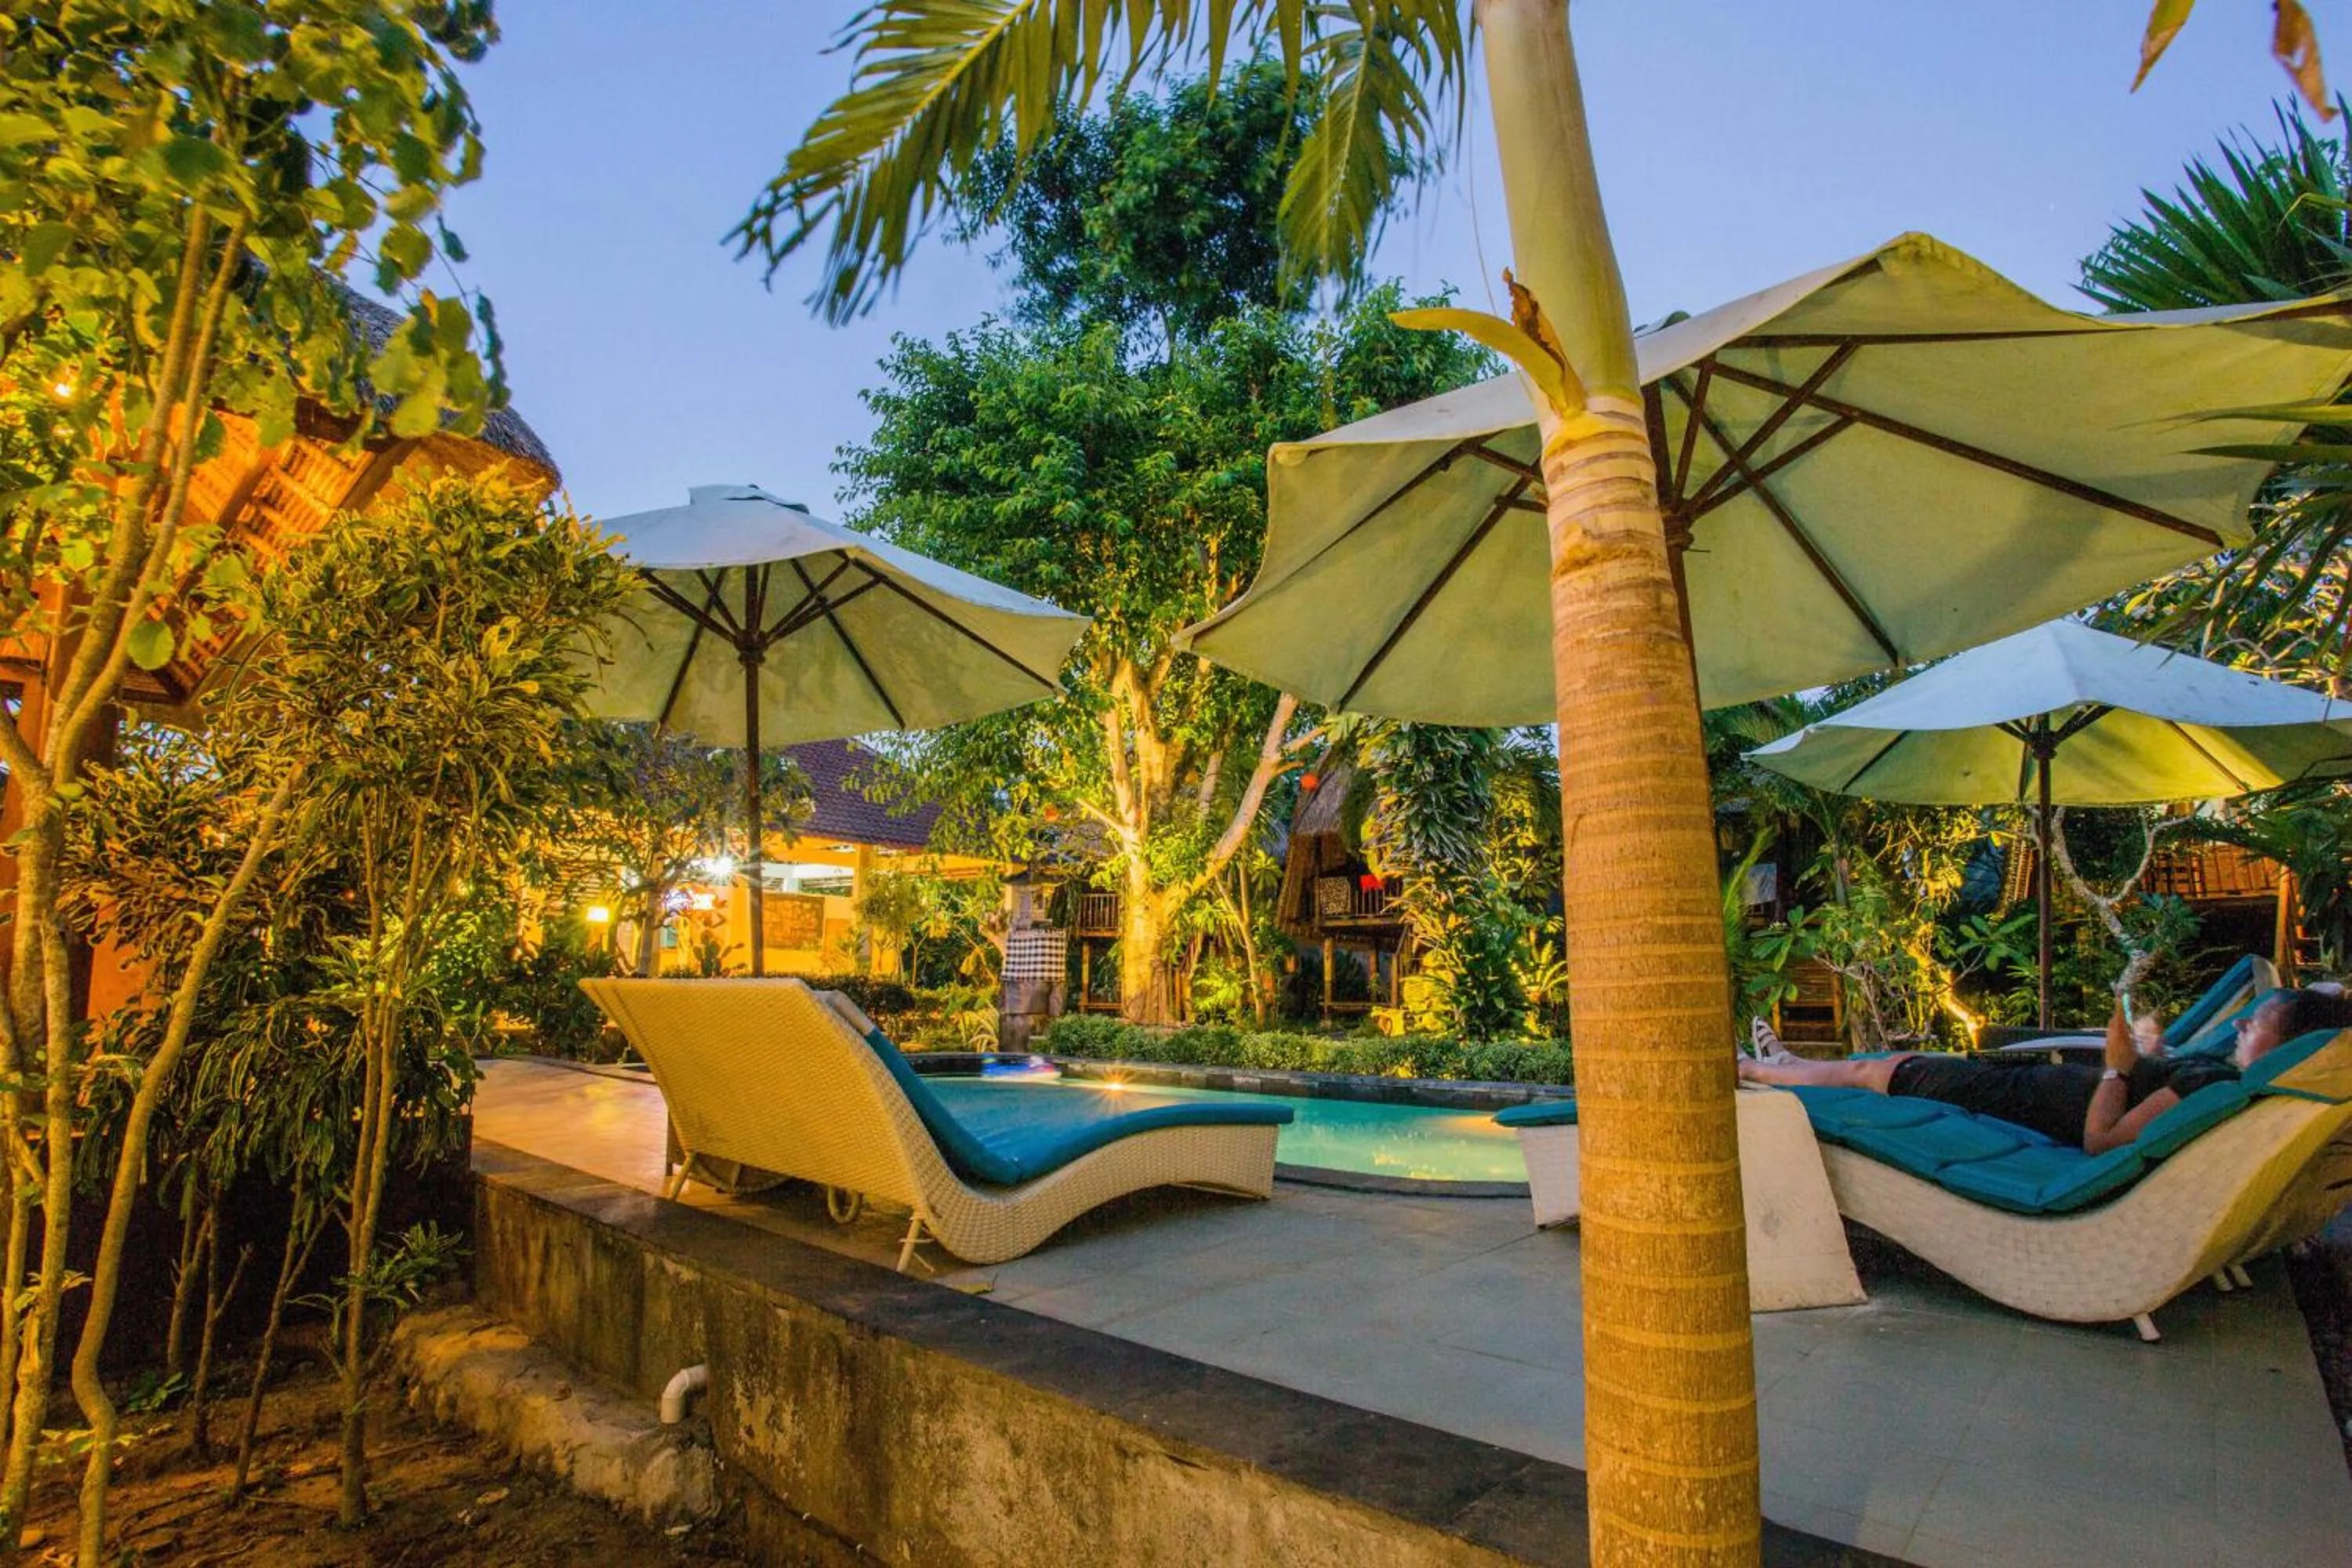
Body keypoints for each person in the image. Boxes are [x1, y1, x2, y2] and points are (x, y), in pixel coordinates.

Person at [1738, 987, 2352, 1154]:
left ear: (2289, 1040)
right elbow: (2151, 1087)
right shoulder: (2219, 1075)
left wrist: (2117, 1069)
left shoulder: (2212, 1086)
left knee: (1883, 1071)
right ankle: (1789, 1063)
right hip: (2024, 1090)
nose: (2243, 1025)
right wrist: (2147, 1053)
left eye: (2259, 1021)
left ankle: (1758, 1073)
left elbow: (2101, 1140)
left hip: (2016, 1100)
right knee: (1886, 1064)